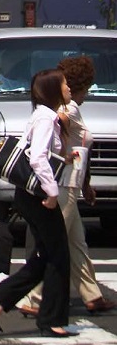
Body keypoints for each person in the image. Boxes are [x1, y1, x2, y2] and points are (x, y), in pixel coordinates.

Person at [15, 57, 116, 317]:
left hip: (71, 182)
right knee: (54, 244)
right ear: (79, 86)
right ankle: (34, 298)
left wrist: (86, 183)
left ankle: (92, 296)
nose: (87, 93)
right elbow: (60, 133)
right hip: (61, 184)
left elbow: (81, 148)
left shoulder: (70, 108)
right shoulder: (67, 109)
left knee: (77, 243)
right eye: (87, 87)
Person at [0, 68, 75, 338]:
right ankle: (51, 321)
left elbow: (41, 153)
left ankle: (1, 297)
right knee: (59, 257)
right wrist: (50, 192)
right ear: (53, 91)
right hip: (38, 197)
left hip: (27, 194)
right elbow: (37, 158)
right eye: (65, 84)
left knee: (45, 255)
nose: (69, 88)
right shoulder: (47, 119)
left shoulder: (43, 116)